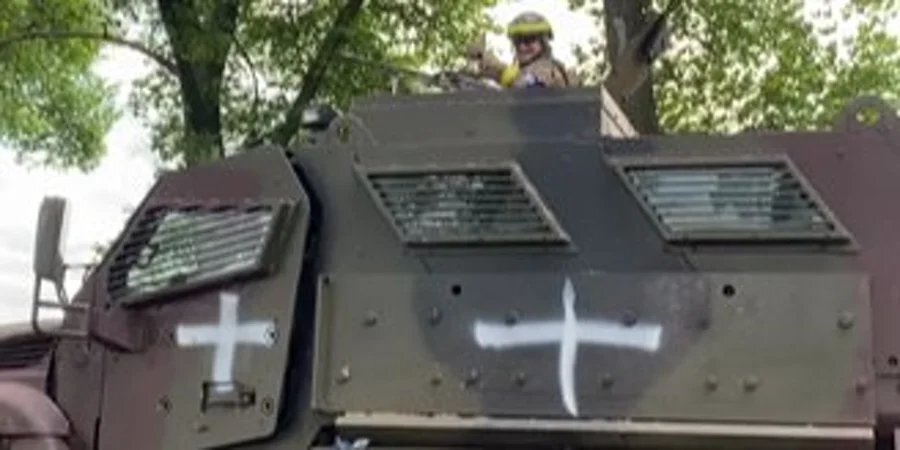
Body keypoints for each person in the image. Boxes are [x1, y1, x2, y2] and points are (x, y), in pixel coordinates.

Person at [466, 11, 577, 88]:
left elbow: (520, 95)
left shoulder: (544, 72)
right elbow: (510, 74)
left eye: (528, 40)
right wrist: (488, 65)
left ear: (543, 43)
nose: (521, 46)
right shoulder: (528, 70)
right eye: (517, 40)